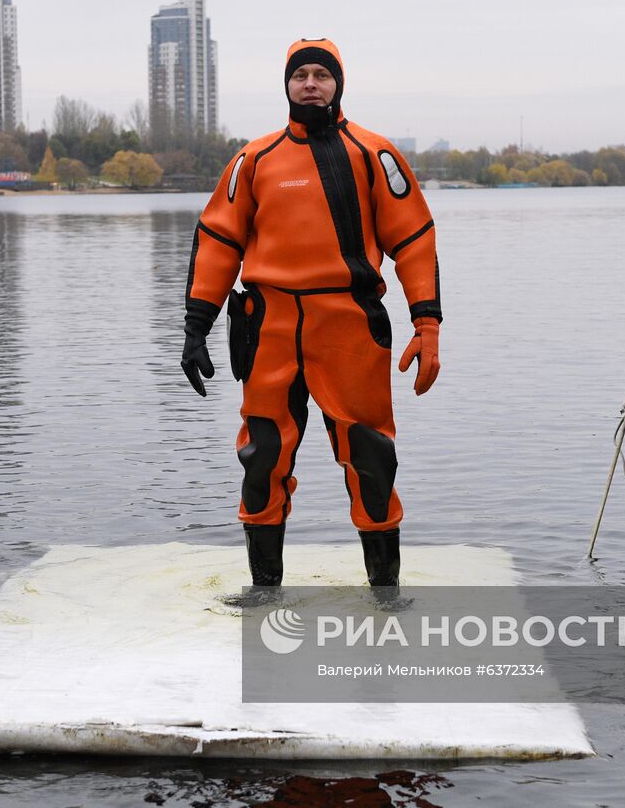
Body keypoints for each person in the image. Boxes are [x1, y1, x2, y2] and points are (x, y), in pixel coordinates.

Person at [181, 38, 441, 590]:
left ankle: (385, 593)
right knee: (262, 459)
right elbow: (218, 241)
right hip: (269, 326)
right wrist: (195, 328)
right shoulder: (255, 160)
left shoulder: (373, 153)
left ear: (338, 84)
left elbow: (414, 238)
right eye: (301, 75)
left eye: (322, 74)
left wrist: (428, 325)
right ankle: (264, 589)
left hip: (348, 324)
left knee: (371, 459)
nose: (311, 84)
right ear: (288, 85)